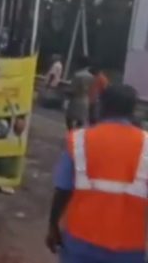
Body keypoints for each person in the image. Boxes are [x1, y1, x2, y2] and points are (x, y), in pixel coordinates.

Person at [46, 84, 147, 263]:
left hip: (81, 242)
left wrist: (53, 226)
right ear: (133, 111)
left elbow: (62, 190)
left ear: (102, 105)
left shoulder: (78, 140)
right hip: (130, 246)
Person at [65, 57, 94, 129]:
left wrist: (65, 92)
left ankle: (71, 133)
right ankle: (76, 133)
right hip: (85, 99)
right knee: (81, 120)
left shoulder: (77, 75)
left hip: (76, 100)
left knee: (69, 118)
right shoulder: (91, 77)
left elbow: (72, 89)